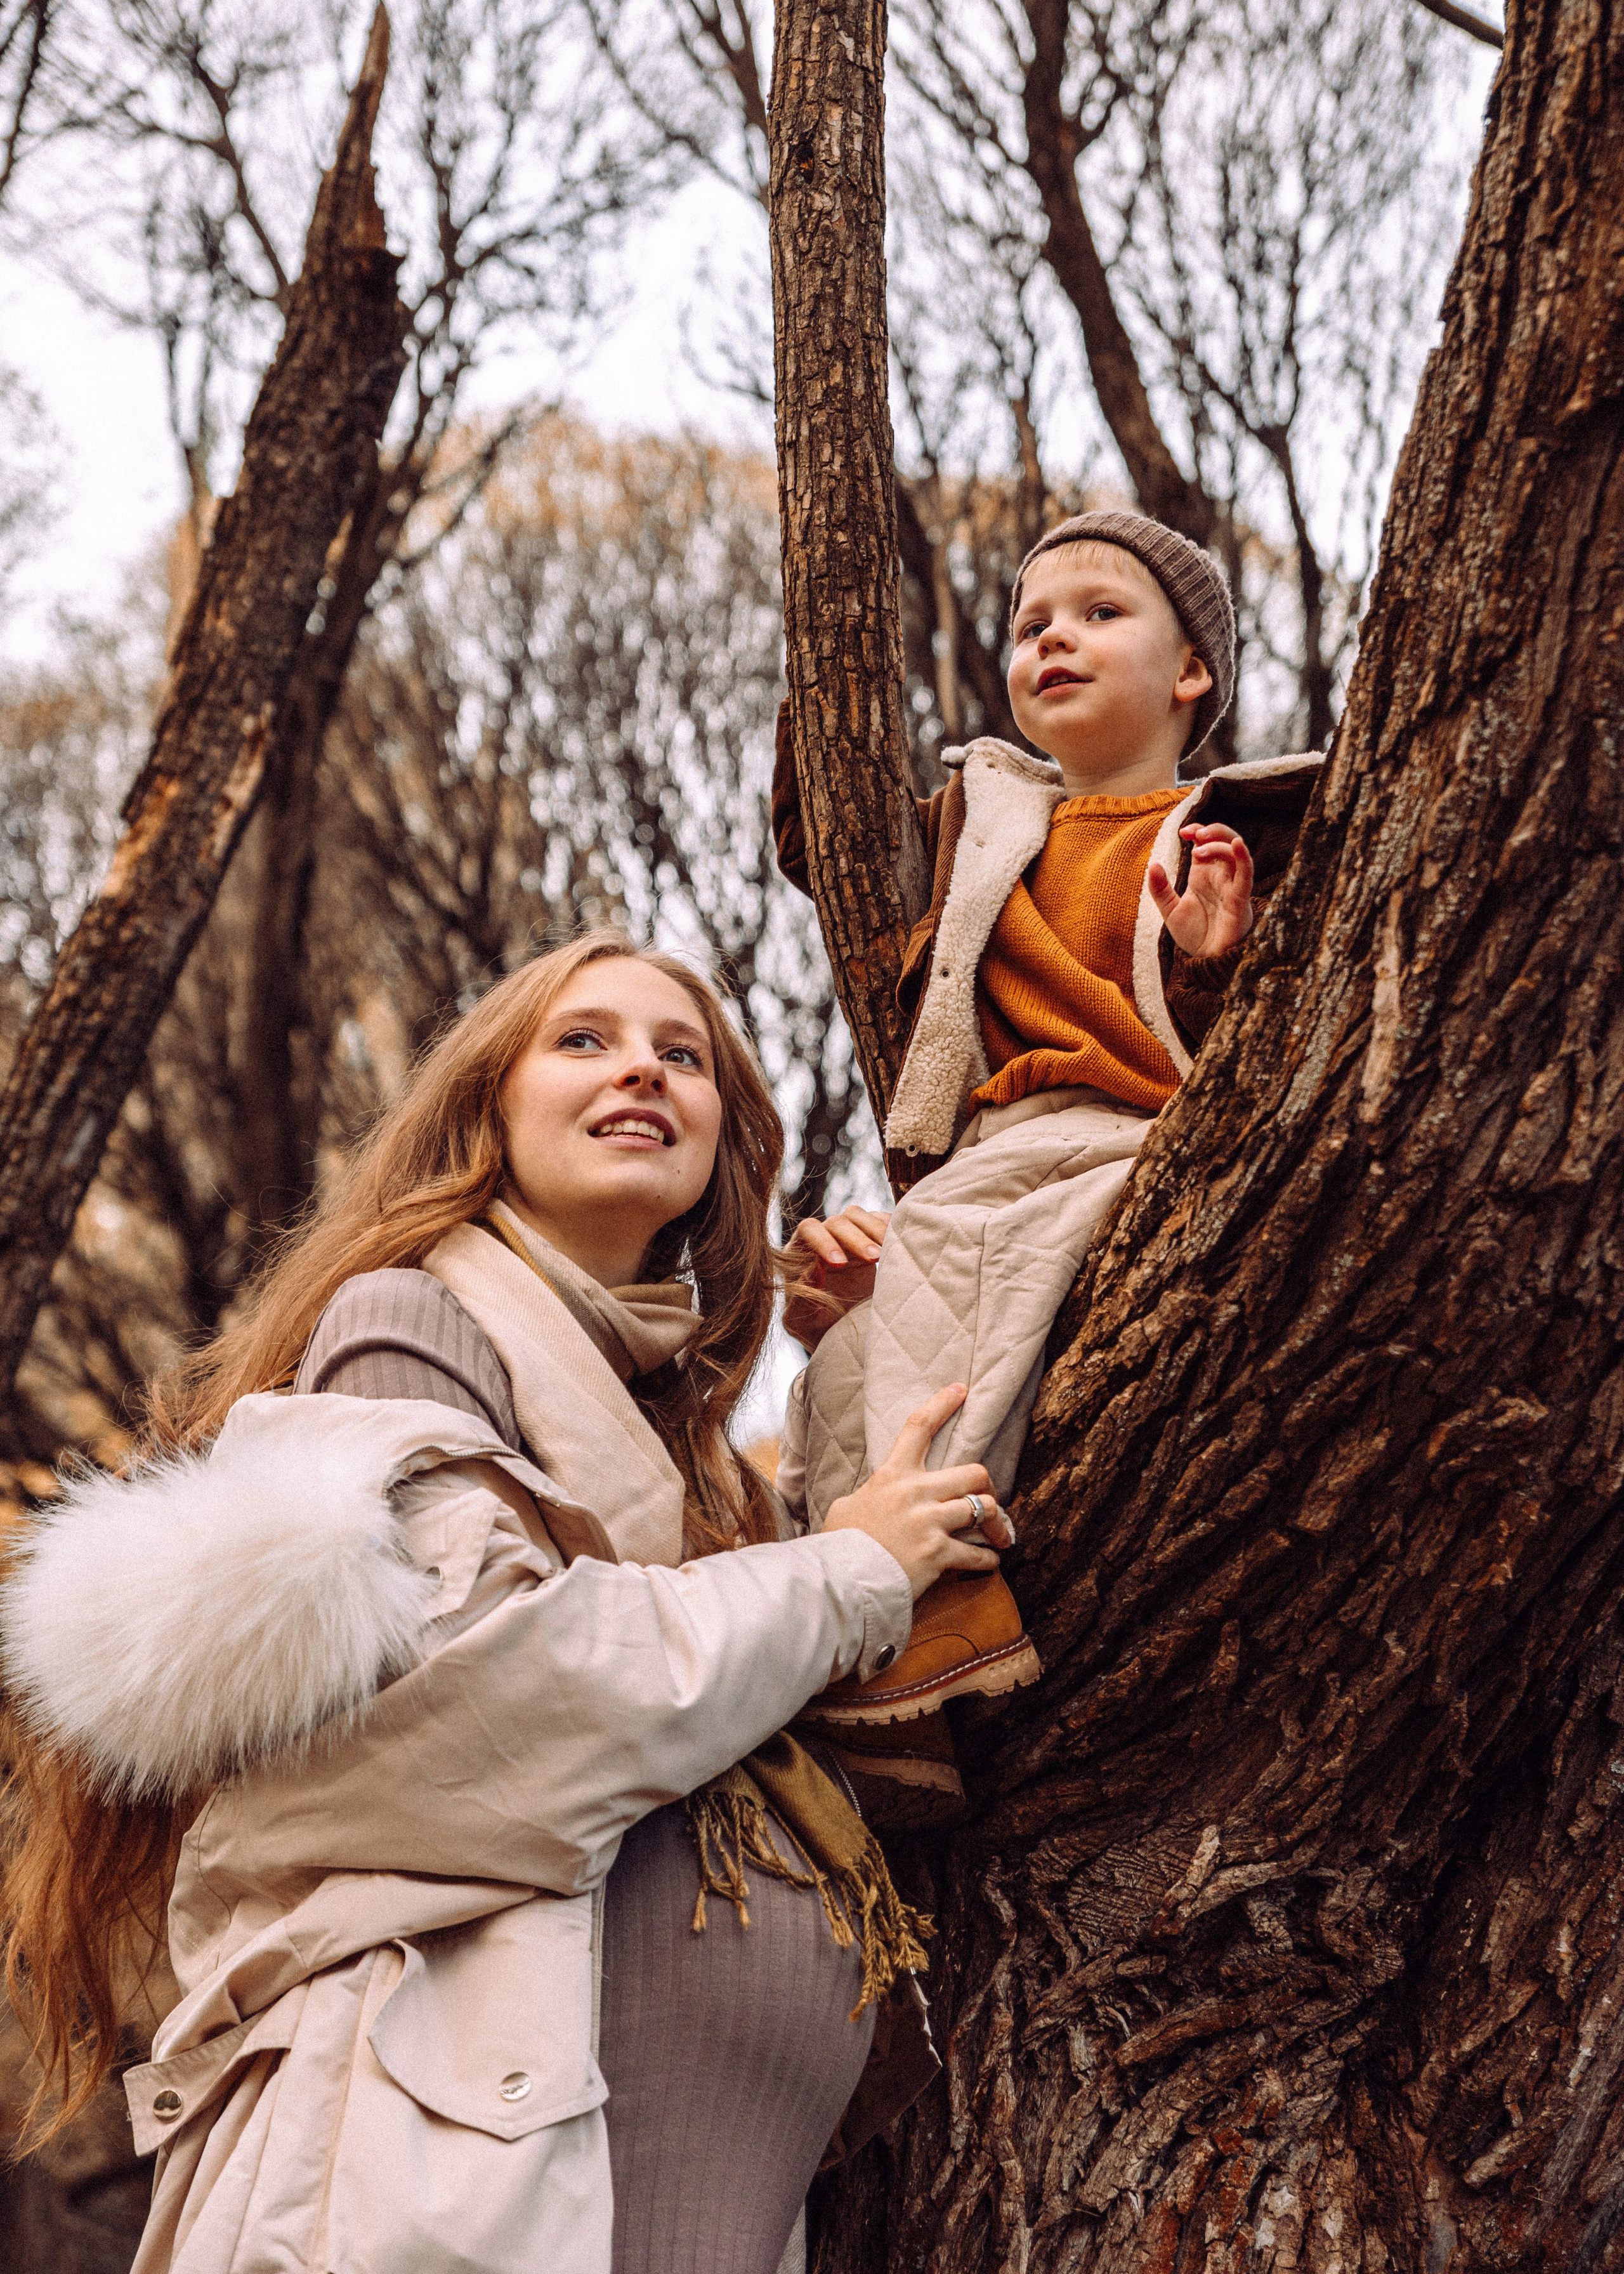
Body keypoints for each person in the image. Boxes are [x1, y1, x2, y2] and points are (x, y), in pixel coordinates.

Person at [0, 930, 1007, 2274]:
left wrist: (865, 1352)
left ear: (724, 1132)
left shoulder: (681, 1447)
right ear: (490, 1101)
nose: (639, 1068)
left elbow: (843, 1691)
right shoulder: (406, 1327)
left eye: (681, 1052)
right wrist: (852, 1569)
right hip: (429, 2203)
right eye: (581, 1039)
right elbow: (495, 1687)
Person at [773, 511, 1323, 1794]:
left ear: (1189, 672)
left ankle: (933, 1623)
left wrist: (1211, 958)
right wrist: (815, 670)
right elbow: (836, 846)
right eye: (1028, 627)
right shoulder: (985, 817)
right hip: (990, 1146)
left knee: (959, 1265)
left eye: (1094, 613)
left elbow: (1272, 1044)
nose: (1050, 639)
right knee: (842, 1363)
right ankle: (868, 1650)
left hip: (1128, 1144)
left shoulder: (1221, 829)